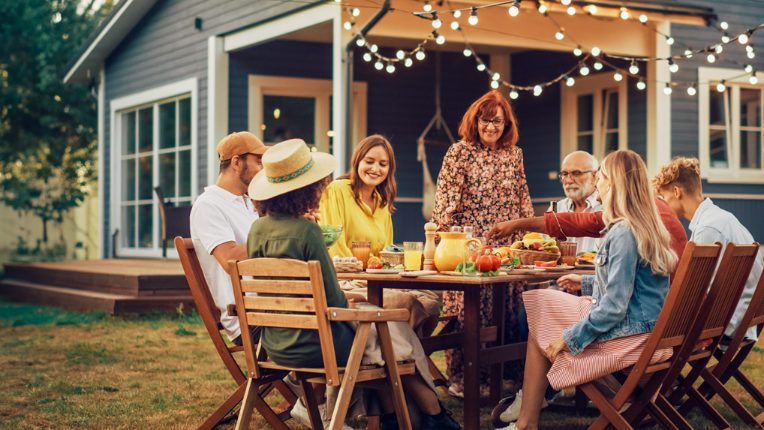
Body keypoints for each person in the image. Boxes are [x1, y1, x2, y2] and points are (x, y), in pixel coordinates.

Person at [247, 139, 461, 430]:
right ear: (309, 188)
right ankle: (433, 415)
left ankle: (393, 419)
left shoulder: (257, 230)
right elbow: (334, 304)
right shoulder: (308, 231)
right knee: (395, 332)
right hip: (320, 346)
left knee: (386, 334)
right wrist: (350, 299)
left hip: (274, 345)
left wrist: (344, 296)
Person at [491, 150, 677, 430]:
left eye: (600, 177)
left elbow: (614, 307)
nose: (597, 183)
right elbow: (633, 285)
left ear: (613, 183)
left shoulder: (624, 231)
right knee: (543, 304)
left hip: (630, 339)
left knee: (540, 313)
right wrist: (587, 282)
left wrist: (567, 338)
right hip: (645, 330)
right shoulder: (642, 225)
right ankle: (528, 417)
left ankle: (526, 422)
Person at [431, 90, 533, 397]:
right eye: (485, 120)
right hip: (469, 247)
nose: (491, 127)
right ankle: (468, 381)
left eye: (497, 121)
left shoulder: (514, 154)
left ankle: (508, 379)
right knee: (471, 314)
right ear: (475, 121)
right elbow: (446, 200)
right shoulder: (459, 152)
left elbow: (522, 197)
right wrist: (451, 232)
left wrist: (527, 238)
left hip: (505, 246)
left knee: (509, 311)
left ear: (506, 123)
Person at [320, 135, 440, 336]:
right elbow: (335, 247)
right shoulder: (337, 191)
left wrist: (393, 281)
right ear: (357, 161)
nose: (375, 169)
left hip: (377, 281)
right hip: (345, 280)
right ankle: (400, 360)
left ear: (389, 169)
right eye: (369, 162)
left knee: (430, 303)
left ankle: (405, 357)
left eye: (382, 164)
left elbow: (387, 253)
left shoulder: (382, 202)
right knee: (410, 304)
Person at [653, 156, 762, 342]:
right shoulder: (720, 218)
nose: (662, 204)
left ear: (677, 192)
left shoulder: (707, 229)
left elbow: (695, 292)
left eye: (663, 197)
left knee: (649, 321)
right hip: (743, 316)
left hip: (726, 322)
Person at [189, 131, 269, 347]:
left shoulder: (249, 202)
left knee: (348, 317)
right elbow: (229, 259)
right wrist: (277, 236)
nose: (263, 170)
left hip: (271, 305)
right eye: (258, 162)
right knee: (337, 327)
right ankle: (297, 381)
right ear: (236, 162)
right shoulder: (209, 205)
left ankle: (299, 382)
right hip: (247, 319)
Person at [552, 151, 603, 255]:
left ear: (594, 176)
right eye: (564, 174)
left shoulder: (606, 207)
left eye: (576, 173)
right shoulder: (556, 208)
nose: (568, 180)